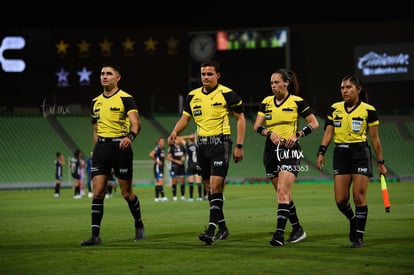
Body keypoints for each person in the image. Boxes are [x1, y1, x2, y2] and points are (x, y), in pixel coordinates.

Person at [168, 59, 246, 245]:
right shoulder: (192, 96)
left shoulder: (228, 94)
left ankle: (211, 230)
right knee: (210, 190)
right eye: (203, 74)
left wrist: (239, 145)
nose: (206, 77)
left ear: (217, 75)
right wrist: (175, 131)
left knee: (216, 186)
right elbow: (185, 119)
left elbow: (240, 119)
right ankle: (223, 228)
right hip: (201, 146)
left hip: (221, 144)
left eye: (210, 74)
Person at [316, 74, 387, 248]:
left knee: (359, 197)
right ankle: (353, 220)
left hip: (359, 153)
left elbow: (375, 139)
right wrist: (321, 151)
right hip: (340, 154)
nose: (345, 91)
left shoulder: (368, 110)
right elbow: (328, 132)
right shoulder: (334, 108)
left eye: (348, 87)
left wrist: (380, 162)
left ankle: (359, 238)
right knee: (341, 200)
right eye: (342, 87)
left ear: (358, 89)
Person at [253, 68, 319, 247]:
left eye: (276, 82)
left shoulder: (297, 102)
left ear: (286, 83)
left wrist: (297, 134)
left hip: (289, 150)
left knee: (282, 192)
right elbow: (257, 126)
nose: (273, 86)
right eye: (271, 83)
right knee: (283, 193)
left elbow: (314, 123)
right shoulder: (266, 102)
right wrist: (268, 132)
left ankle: (279, 235)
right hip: (270, 152)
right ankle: (297, 228)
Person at [80, 61, 144, 246]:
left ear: (118, 78)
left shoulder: (126, 98)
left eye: (108, 73)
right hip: (101, 149)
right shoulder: (95, 102)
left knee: (127, 194)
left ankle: (138, 223)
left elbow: (136, 124)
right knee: (98, 191)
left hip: (120, 148)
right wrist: (95, 149)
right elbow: (95, 129)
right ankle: (95, 235)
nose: (104, 76)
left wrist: (130, 137)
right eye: (102, 73)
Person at [181, 133, 203, 201]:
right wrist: (194, 137)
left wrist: (188, 136)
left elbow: (180, 138)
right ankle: (200, 197)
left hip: (190, 165)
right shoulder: (198, 146)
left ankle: (191, 198)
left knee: (191, 183)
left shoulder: (187, 146)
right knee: (199, 182)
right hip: (197, 165)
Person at [149, 136, 168, 202]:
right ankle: (163, 197)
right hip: (158, 167)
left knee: (158, 182)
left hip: (160, 167)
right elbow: (151, 154)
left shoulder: (162, 149)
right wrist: (157, 161)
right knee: (160, 181)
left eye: (163, 141)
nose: (163, 142)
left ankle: (157, 198)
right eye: (162, 141)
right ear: (158, 142)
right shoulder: (158, 148)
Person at [167, 136, 187, 201]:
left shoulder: (182, 147)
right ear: (174, 140)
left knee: (182, 181)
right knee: (174, 182)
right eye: (177, 139)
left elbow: (184, 155)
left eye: (179, 139)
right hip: (174, 166)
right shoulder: (171, 148)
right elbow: (169, 157)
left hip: (181, 167)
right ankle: (174, 196)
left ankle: (183, 196)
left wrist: (183, 158)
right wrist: (177, 161)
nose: (178, 140)